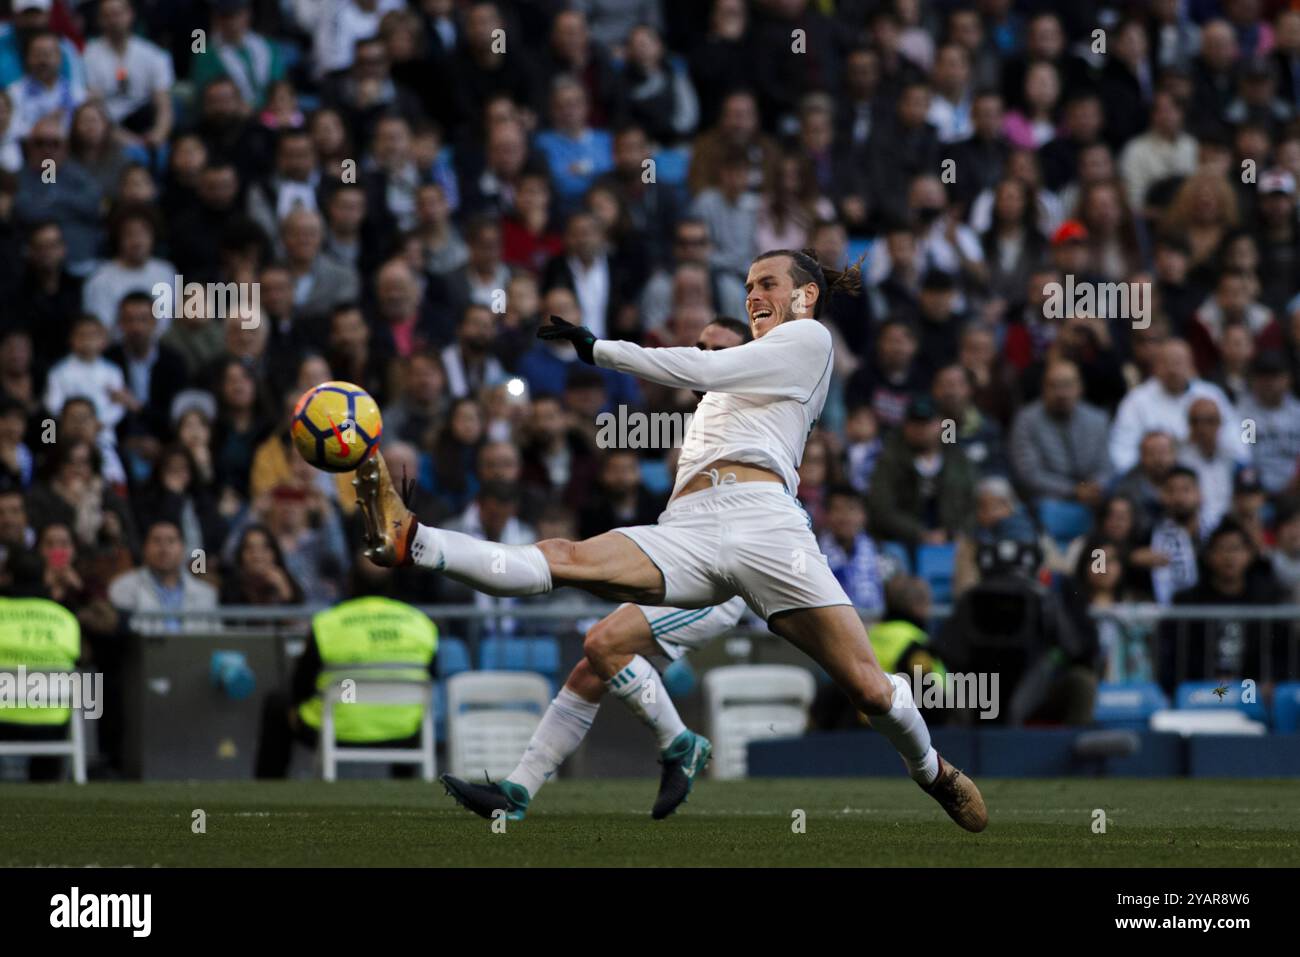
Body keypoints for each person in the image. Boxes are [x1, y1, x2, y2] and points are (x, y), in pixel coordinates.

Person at [358, 248, 989, 832]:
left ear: (806, 296)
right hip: (689, 528)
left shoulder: (809, 340)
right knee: (568, 563)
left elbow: (705, 362)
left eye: (767, 283)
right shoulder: (718, 401)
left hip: (766, 525)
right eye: (747, 287)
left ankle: (930, 768)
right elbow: (707, 370)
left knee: (870, 690)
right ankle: (414, 541)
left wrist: (599, 349)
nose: (753, 295)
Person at [254, 594, 436, 778]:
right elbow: (432, 677)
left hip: (335, 730)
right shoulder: (420, 622)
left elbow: (301, 684)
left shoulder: (328, 623)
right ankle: (404, 787)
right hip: (403, 732)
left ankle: (267, 792)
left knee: (277, 704)